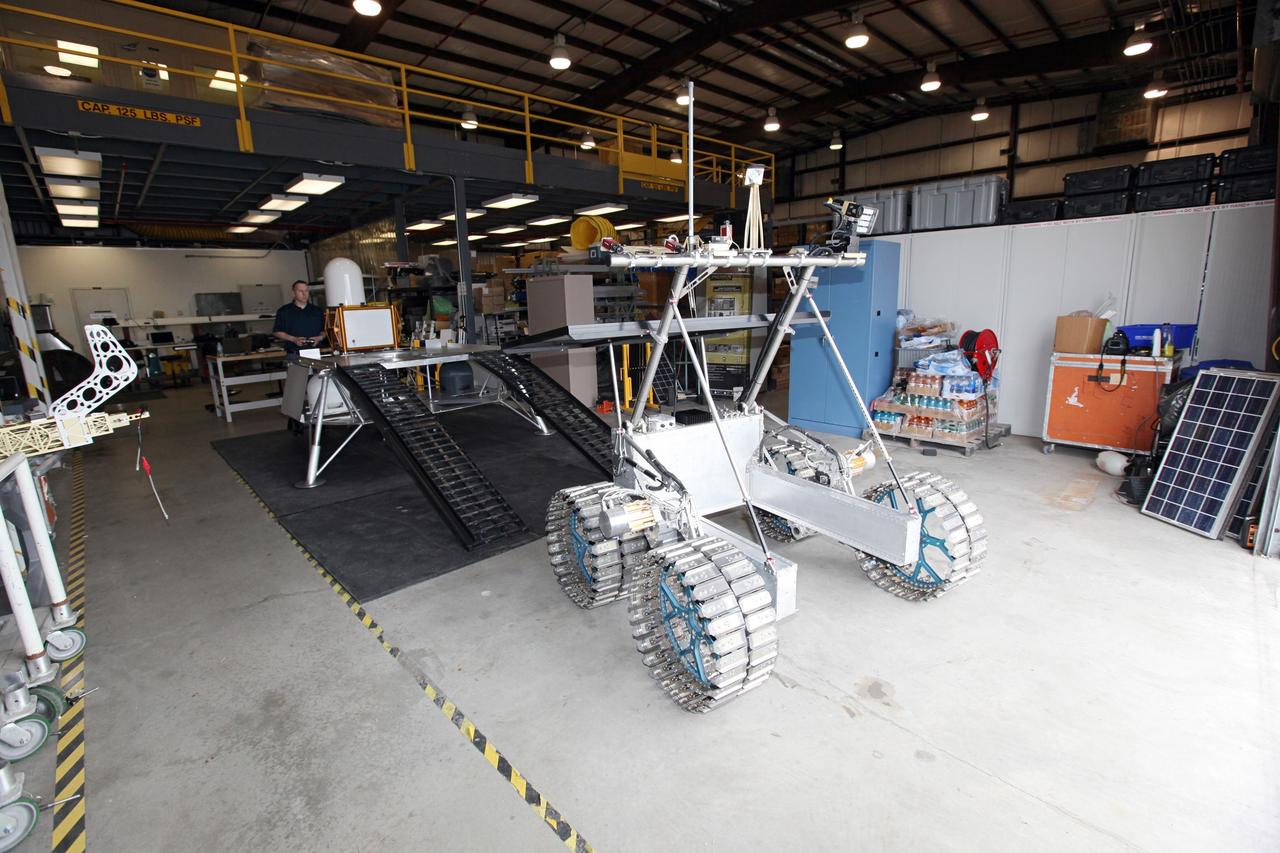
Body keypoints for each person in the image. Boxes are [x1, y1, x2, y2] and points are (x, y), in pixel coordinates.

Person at [272, 280, 325, 361]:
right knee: (298, 374)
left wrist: (319, 338)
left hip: (316, 353)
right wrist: (294, 339)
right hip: (294, 354)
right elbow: (277, 331)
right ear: (293, 293)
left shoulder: (317, 311)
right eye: (300, 291)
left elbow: (324, 331)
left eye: (306, 291)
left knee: (318, 374)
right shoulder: (284, 311)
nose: (304, 294)